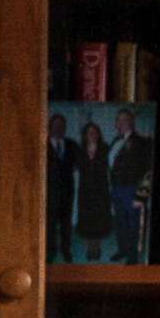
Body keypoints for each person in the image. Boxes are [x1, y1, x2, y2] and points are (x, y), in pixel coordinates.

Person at [106, 107, 153, 264]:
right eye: (118, 120)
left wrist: (141, 195)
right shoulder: (114, 141)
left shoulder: (143, 142)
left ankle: (133, 257)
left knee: (133, 225)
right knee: (119, 223)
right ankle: (122, 250)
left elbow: (148, 171)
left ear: (131, 122)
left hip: (133, 190)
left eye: (124, 119)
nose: (120, 122)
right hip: (116, 190)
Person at [71, 119, 114, 262]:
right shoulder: (79, 150)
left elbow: (113, 168)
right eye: (89, 132)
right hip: (85, 191)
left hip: (101, 191)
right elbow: (74, 167)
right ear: (85, 135)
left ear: (98, 134)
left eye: (95, 132)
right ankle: (90, 248)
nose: (92, 134)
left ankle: (97, 247)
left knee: (99, 220)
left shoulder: (106, 148)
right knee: (87, 220)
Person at [45, 112, 76, 260]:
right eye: (56, 126)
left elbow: (80, 163)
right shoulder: (42, 145)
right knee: (49, 225)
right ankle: (50, 252)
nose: (59, 129)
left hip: (67, 193)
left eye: (61, 126)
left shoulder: (71, 144)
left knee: (66, 225)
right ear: (50, 127)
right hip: (49, 193)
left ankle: (66, 250)